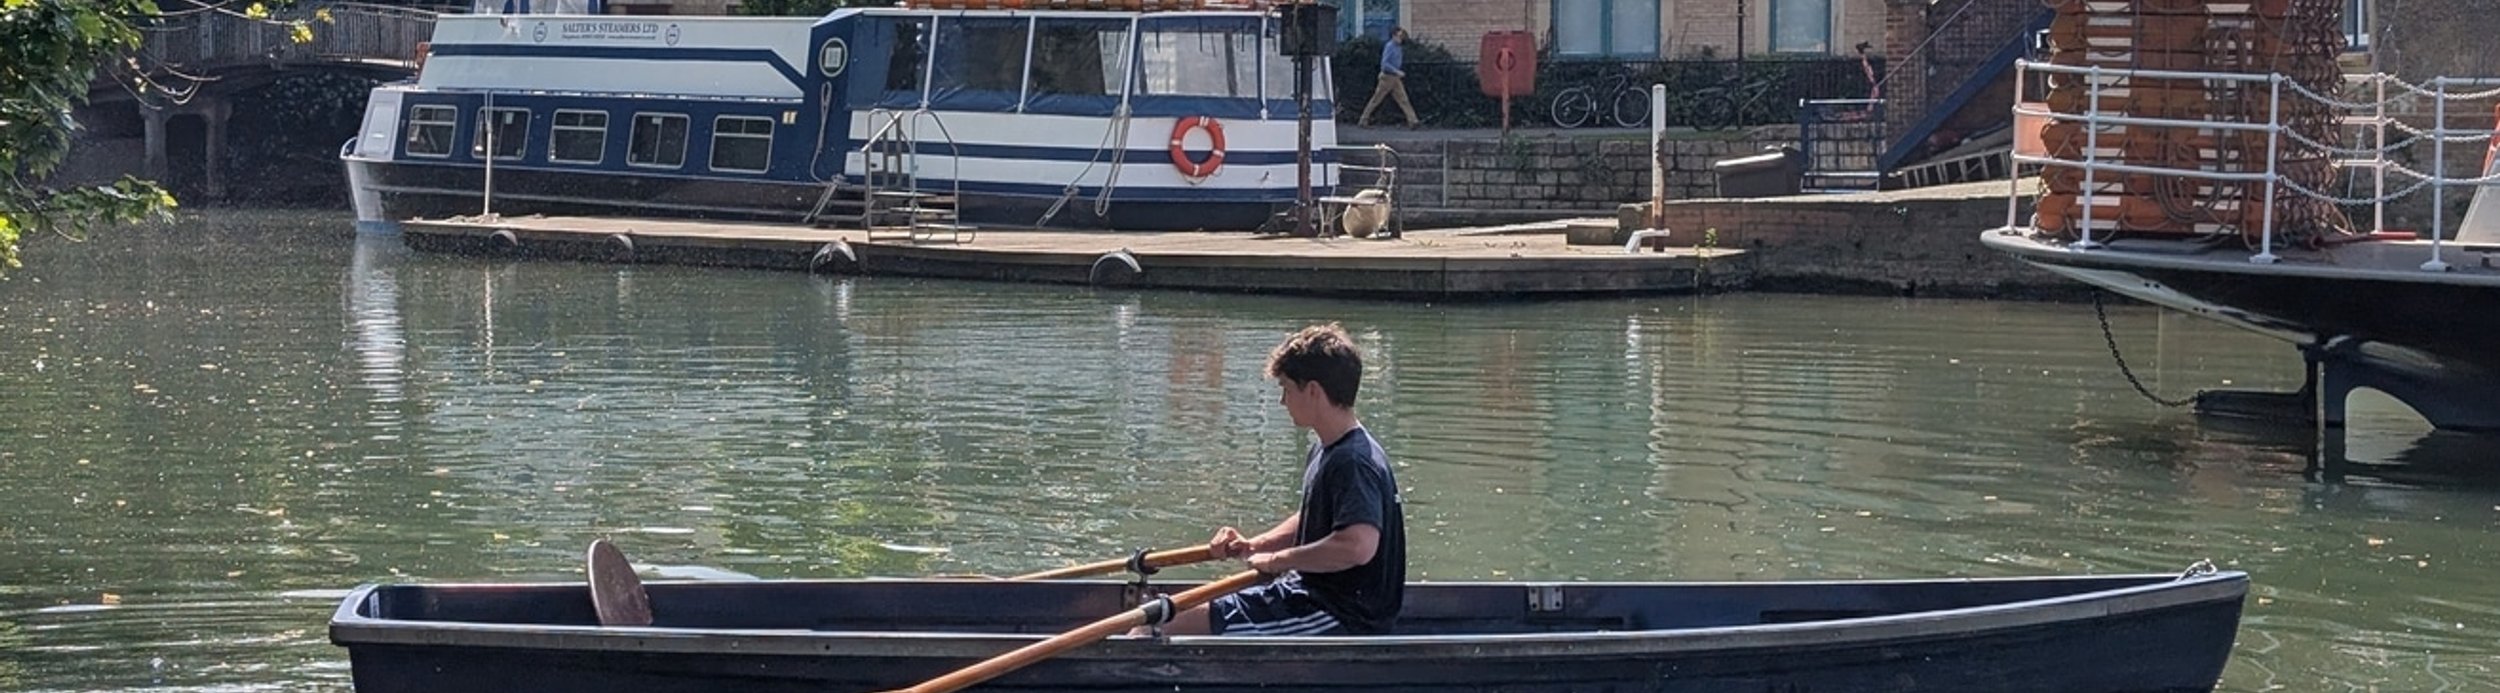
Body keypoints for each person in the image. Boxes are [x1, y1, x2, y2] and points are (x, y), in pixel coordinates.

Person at [1152, 323, 1406, 636]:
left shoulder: (1353, 461)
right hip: (1302, 594)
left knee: (1160, 628)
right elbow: (1316, 519)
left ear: (1312, 390)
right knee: (1159, 621)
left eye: (1286, 388)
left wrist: (1277, 560)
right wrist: (1254, 545)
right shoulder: (1328, 447)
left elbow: (1357, 546)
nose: (1282, 402)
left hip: (1337, 614)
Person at [1358, 28, 1421, 129]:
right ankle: (1363, 119)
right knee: (1376, 99)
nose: (1401, 38)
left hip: (1395, 78)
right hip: (1387, 77)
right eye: (1399, 36)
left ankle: (1413, 121)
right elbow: (1385, 64)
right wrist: (1397, 71)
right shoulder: (1390, 47)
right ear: (1394, 36)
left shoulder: (1398, 47)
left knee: (1403, 99)